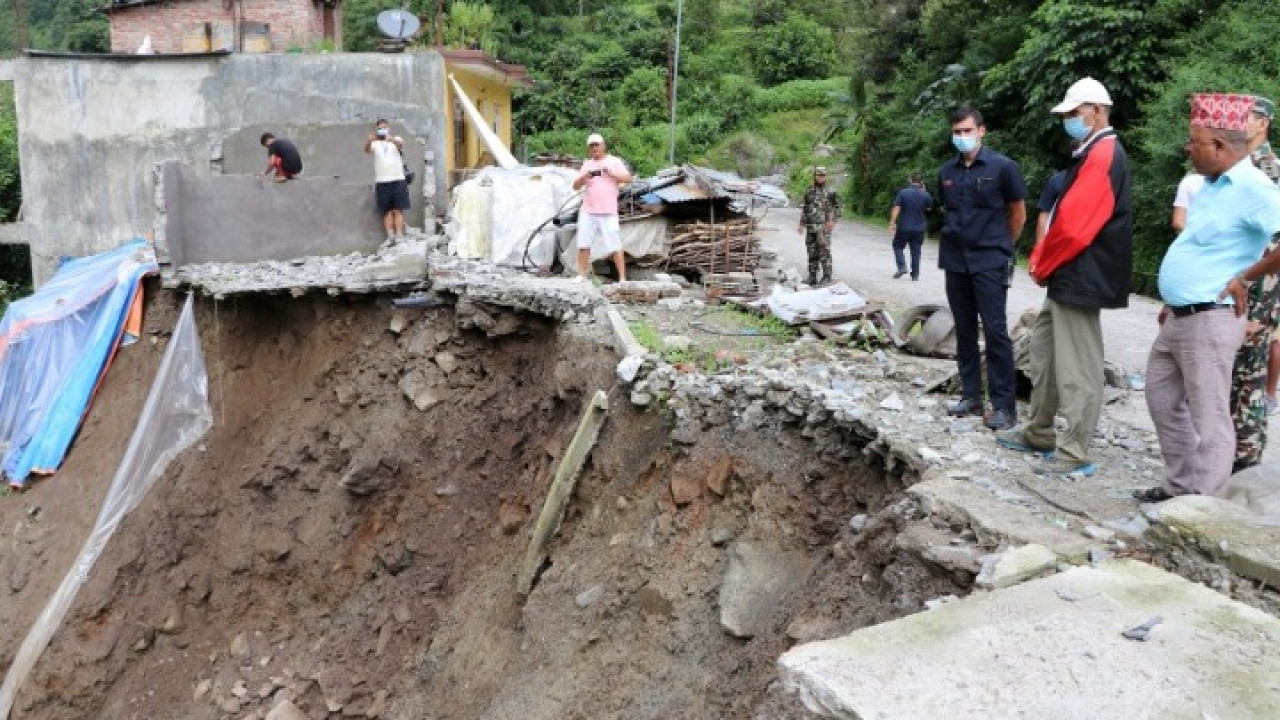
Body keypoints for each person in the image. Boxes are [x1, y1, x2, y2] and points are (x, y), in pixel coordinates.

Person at [1134, 93, 1280, 503]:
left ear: (1218, 146)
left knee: (1211, 415)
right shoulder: (1212, 185)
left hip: (1211, 317)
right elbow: (1199, 247)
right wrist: (1170, 295)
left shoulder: (1255, 187)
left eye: (1192, 143)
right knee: (1162, 399)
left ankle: (1201, 506)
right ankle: (1179, 486)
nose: (1186, 150)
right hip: (1180, 315)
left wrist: (1245, 278)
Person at [996, 78, 1133, 477]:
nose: (1069, 120)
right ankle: (1040, 432)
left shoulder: (1104, 153)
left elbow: (1074, 225)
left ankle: (1074, 450)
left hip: (1082, 273)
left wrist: (1043, 261)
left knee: (1078, 366)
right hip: (1070, 274)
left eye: (1074, 113)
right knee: (1045, 353)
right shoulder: (1090, 152)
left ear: (1096, 110)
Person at [936, 106, 1027, 431]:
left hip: (990, 260)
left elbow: (1018, 214)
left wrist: (1003, 247)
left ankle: (1004, 406)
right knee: (963, 329)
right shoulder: (947, 172)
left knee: (995, 331)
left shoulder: (1004, 168)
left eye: (967, 131)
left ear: (981, 131)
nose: (962, 137)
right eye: (957, 132)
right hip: (955, 261)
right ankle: (971, 395)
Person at [1230, 95, 1280, 470]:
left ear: (1263, 122)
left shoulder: (1269, 169)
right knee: (1232, 368)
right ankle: (1228, 451)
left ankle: (1245, 457)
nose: (1238, 124)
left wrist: (1257, 288)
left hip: (1260, 288)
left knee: (1249, 370)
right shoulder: (1239, 164)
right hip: (1239, 281)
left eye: (1245, 117)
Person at [572, 133, 633, 282]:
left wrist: (611, 173)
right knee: (583, 243)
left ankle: (622, 278)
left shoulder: (614, 161)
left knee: (615, 244)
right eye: (591, 146)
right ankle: (581, 275)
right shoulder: (587, 164)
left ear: (603, 145)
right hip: (588, 209)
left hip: (608, 210)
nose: (594, 148)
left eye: (597, 145)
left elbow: (628, 178)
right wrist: (584, 177)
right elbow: (575, 186)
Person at [364, 119, 410, 242]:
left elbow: (400, 145)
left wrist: (391, 139)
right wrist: (369, 140)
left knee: (398, 209)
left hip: (398, 180)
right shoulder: (376, 144)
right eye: (380, 128)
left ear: (389, 128)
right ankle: (390, 236)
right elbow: (367, 150)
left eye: (384, 127)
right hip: (382, 181)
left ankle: (399, 235)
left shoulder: (396, 139)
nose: (382, 130)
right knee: (387, 210)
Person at [797, 167, 841, 286]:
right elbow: (805, 208)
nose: (821, 177)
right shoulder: (809, 190)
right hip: (811, 227)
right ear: (815, 176)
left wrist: (833, 221)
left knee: (824, 251)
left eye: (823, 175)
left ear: (826, 177)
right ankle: (812, 276)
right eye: (818, 175)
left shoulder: (831, 191)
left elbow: (838, 207)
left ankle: (827, 276)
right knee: (811, 252)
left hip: (823, 228)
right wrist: (801, 223)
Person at [888, 173, 932, 280]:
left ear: (910, 180)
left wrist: (892, 223)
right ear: (921, 182)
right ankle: (915, 275)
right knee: (916, 250)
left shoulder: (903, 193)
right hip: (919, 228)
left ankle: (902, 266)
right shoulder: (926, 195)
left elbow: (897, 208)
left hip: (904, 226)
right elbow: (928, 208)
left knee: (897, 246)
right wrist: (924, 192)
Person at [1035, 169, 1067, 243]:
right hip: (1057, 240)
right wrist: (1039, 248)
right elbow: (1044, 214)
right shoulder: (1058, 180)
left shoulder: (1098, 181)